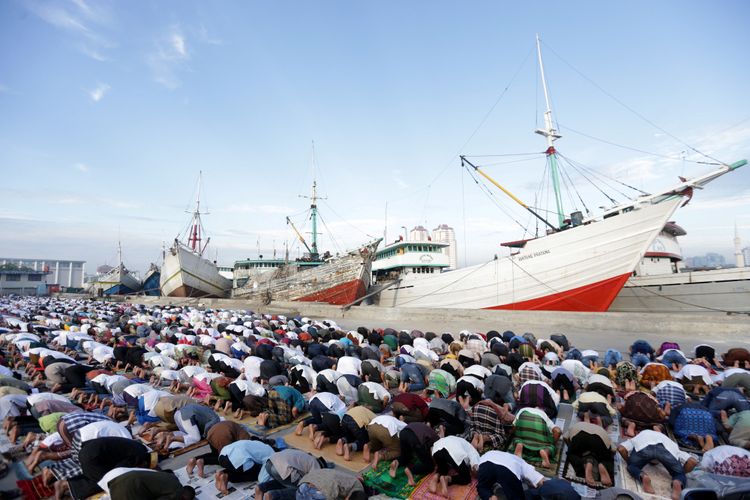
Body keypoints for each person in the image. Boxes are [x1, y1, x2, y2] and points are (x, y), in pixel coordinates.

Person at [618, 429, 698, 500]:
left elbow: (621, 449)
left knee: (632, 466)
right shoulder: (669, 441)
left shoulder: (641, 435)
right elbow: (692, 462)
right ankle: (677, 482)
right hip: (666, 450)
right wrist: (680, 473)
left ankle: (643, 476)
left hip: (645, 448)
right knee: (679, 475)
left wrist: (630, 462)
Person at [476, 450, 545, 500]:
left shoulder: (495, 453)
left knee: (483, 486)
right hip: (507, 469)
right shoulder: (522, 462)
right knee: (517, 496)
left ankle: (490, 497)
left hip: (485, 464)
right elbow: (539, 480)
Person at [564, 421, 615, 488]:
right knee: (605, 458)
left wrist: (572, 449)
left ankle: (585, 463)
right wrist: (608, 458)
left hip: (580, 437)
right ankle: (602, 465)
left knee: (572, 455)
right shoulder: (602, 430)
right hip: (599, 440)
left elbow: (565, 437)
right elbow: (614, 450)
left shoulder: (577, 424)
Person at [389, 422, 438, 486]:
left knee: (406, 456)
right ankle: (411, 470)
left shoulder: (428, 430)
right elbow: (432, 452)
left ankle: (397, 462)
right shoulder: (437, 440)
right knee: (429, 466)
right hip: (415, 438)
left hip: (404, 433)